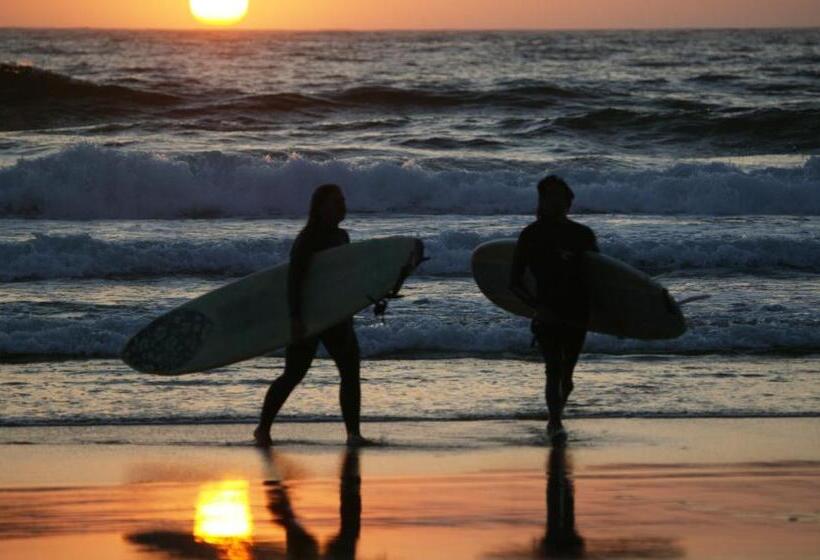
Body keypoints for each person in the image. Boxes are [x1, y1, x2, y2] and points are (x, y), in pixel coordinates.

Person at [254, 184, 369, 447]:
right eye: (336, 202)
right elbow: (294, 281)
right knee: (294, 373)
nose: (342, 206)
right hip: (309, 316)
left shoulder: (342, 237)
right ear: (320, 208)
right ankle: (262, 429)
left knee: (350, 371)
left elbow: (343, 279)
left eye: (343, 200)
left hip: (335, 315)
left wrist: (354, 305)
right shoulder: (308, 239)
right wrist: (296, 318)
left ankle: (353, 434)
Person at [510, 175, 598, 443]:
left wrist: (613, 318)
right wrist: (536, 308)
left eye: (560, 197)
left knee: (567, 377)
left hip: (578, 311)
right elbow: (513, 281)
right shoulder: (531, 235)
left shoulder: (583, 235)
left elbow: (601, 279)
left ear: (569, 201)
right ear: (542, 201)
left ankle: (556, 413)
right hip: (547, 310)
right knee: (554, 369)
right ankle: (555, 421)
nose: (555, 202)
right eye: (549, 197)